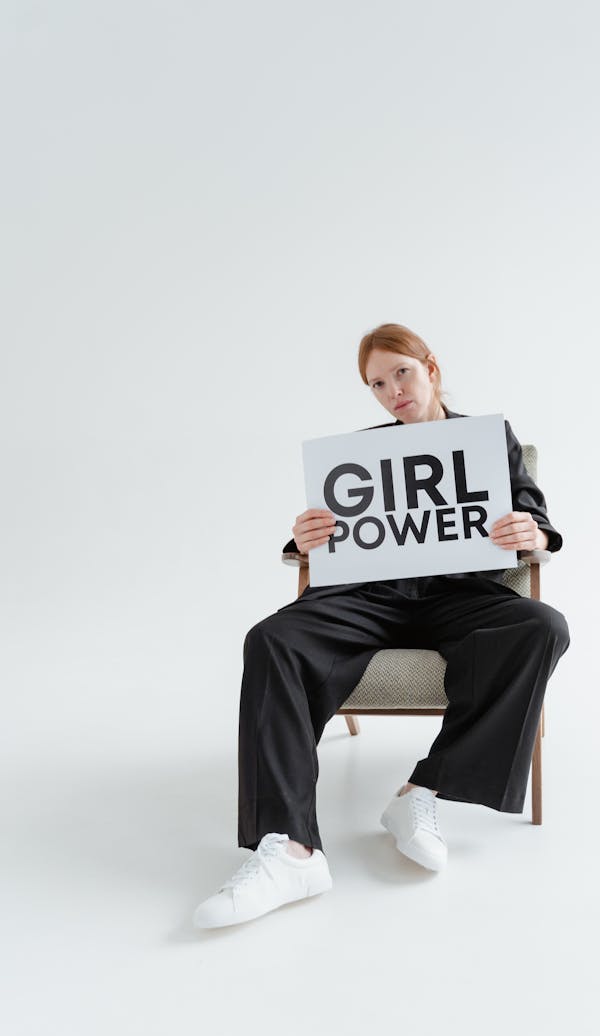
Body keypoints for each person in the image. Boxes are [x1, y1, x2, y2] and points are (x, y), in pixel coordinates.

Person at [193, 323, 570, 929]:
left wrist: (537, 533)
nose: (392, 390)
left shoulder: (487, 437)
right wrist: (304, 536)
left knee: (541, 626)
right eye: (376, 383)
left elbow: (535, 516)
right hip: (370, 593)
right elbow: (321, 535)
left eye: (402, 373)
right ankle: (289, 850)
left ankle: (423, 793)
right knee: (271, 639)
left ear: (431, 368)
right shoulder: (358, 453)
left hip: (458, 594)